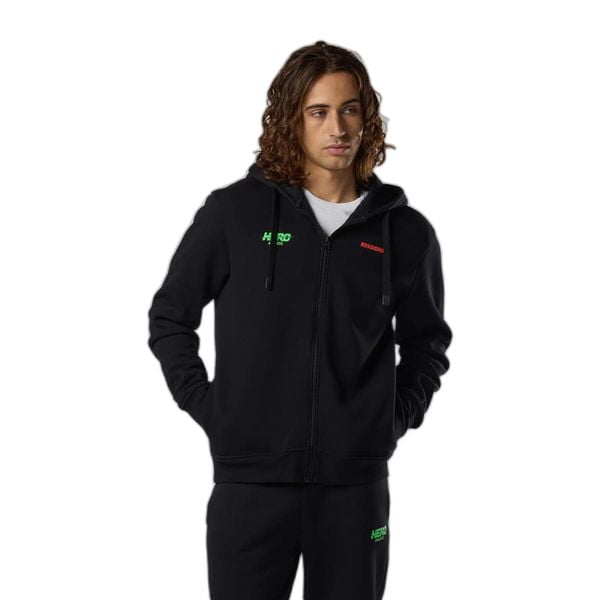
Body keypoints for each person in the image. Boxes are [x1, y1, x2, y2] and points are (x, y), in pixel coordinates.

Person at [147, 40, 452, 600]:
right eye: (319, 112)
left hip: (355, 486)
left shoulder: (406, 233)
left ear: (368, 117)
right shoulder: (234, 213)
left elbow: (427, 343)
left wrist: (390, 420)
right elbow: (171, 315)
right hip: (250, 484)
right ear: (293, 119)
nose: (338, 127)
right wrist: (213, 409)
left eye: (350, 109)